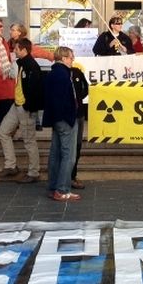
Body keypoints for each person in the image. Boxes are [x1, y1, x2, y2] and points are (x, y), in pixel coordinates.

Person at [0, 38, 44, 183]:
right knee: (3, 132)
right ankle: (10, 165)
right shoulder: (20, 63)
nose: (14, 51)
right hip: (16, 105)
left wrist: (29, 107)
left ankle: (34, 172)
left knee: (29, 140)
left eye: (16, 49)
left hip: (25, 107)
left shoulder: (32, 66)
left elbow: (35, 90)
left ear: (24, 50)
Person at [42, 46, 81, 201]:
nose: (73, 60)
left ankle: (53, 186)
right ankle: (62, 189)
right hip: (65, 119)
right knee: (68, 155)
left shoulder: (53, 73)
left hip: (56, 118)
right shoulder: (63, 75)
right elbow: (64, 99)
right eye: (71, 58)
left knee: (56, 154)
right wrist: (69, 117)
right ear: (64, 58)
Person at [70, 62, 89, 190]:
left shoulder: (77, 72)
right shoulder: (61, 74)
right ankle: (67, 177)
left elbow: (86, 87)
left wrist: (79, 99)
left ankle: (72, 175)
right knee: (69, 148)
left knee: (77, 146)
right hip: (69, 115)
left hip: (79, 113)